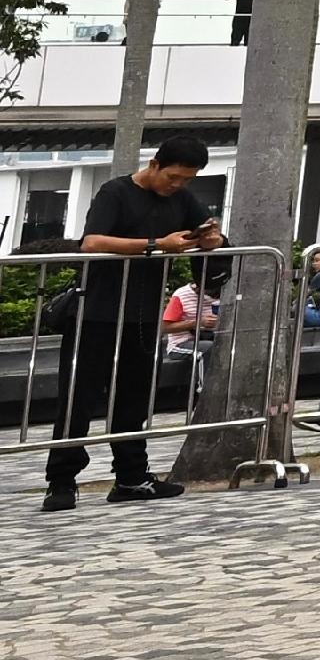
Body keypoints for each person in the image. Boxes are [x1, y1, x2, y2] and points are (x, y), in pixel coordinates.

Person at [44, 135, 225, 509]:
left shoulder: (182, 199)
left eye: (187, 179)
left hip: (142, 314)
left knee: (135, 398)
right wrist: (156, 245)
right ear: (155, 164)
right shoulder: (116, 192)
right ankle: (61, 481)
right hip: (95, 311)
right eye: (173, 177)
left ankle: (131, 477)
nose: (177, 185)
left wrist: (212, 240)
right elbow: (91, 243)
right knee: (78, 398)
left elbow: (207, 234)